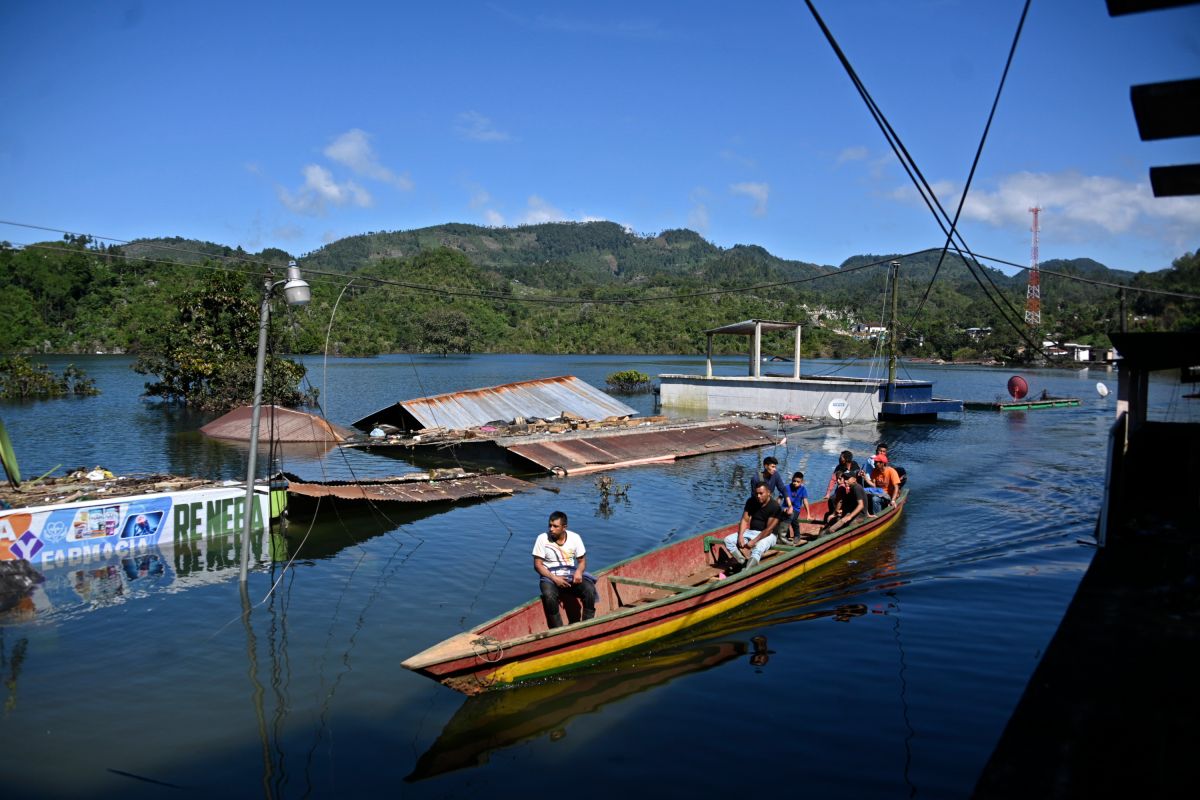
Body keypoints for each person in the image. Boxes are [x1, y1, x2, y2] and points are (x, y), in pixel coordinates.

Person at [532, 510, 598, 629]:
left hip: (570, 576)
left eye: (555, 526)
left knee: (589, 589)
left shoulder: (575, 538)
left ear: (564, 527)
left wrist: (578, 572)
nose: (551, 529)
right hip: (550, 578)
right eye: (550, 525)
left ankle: (588, 625)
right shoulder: (542, 539)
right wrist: (554, 578)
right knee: (549, 595)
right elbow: (538, 565)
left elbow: (582, 561)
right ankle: (559, 630)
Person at [722, 480, 782, 572]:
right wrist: (740, 536)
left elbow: (768, 530)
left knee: (758, 547)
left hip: (769, 535)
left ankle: (747, 571)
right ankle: (742, 561)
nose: (758, 496)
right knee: (728, 540)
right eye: (756, 493)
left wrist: (753, 542)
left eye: (761, 493)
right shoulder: (751, 501)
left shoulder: (775, 507)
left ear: (768, 493)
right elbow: (745, 519)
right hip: (752, 532)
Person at [824, 470, 870, 534]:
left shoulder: (857, 488)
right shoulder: (852, 488)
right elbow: (861, 501)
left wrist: (850, 516)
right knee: (837, 519)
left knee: (846, 523)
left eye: (847, 479)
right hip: (854, 513)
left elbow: (861, 505)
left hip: (860, 516)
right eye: (845, 478)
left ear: (854, 479)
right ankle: (829, 531)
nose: (845, 480)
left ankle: (831, 533)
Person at [783, 471, 811, 542]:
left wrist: (808, 514)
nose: (795, 483)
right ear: (792, 479)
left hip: (796, 509)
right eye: (794, 481)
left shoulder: (803, 489)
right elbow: (780, 498)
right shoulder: (786, 487)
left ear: (802, 482)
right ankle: (786, 535)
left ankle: (797, 535)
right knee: (782, 518)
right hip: (785, 507)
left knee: (792, 518)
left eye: (798, 482)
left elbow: (805, 501)